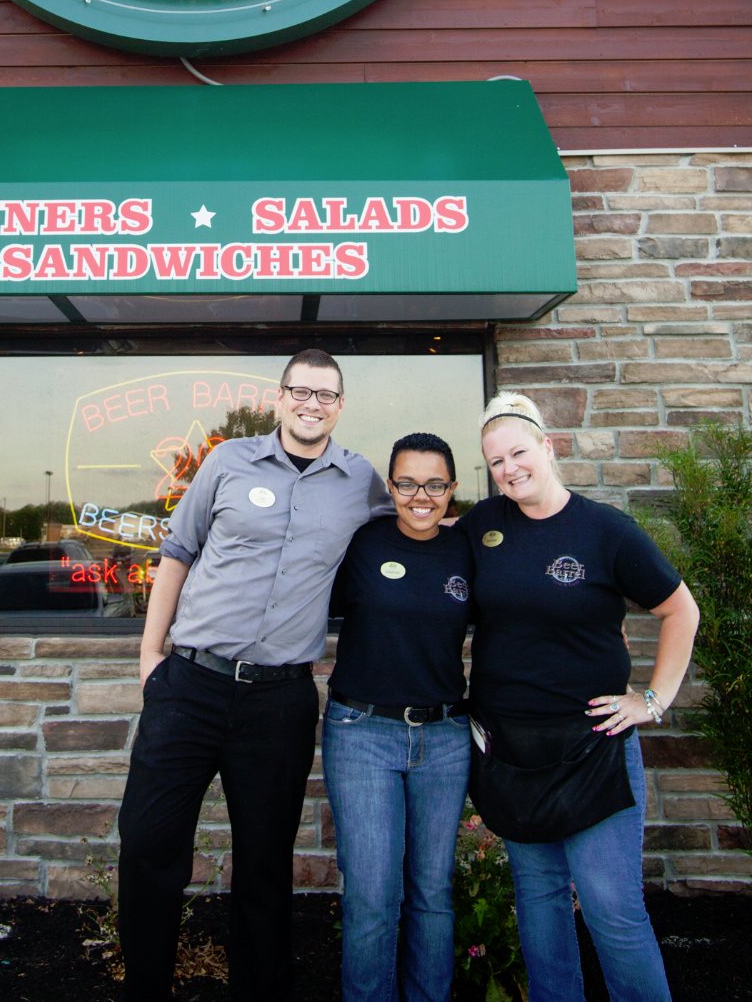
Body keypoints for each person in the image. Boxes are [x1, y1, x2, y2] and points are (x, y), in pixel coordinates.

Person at [116, 349, 390, 1002]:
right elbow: (177, 551)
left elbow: (412, 530)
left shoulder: (360, 480)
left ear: (340, 406)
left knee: (265, 866)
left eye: (326, 395)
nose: (312, 405)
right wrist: (150, 657)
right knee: (150, 846)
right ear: (280, 397)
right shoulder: (227, 461)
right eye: (302, 391)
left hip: (279, 701)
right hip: (190, 687)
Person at [463, 392, 700, 1002]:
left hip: (593, 747)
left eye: (519, 452)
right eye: (495, 461)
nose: (509, 468)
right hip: (513, 751)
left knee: (611, 909)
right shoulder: (482, 526)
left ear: (548, 447)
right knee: (539, 903)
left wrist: (653, 699)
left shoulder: (606, 531)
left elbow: (681, 611)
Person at [322, 431, 472, 1002]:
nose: (421, 497)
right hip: (362, 733)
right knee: (372, 894)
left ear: (452, 489)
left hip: (446, 736)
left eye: (435, 485)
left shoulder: (468, 550)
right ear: (390, 487)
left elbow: (519, 610)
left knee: (433, 891)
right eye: (407, 484)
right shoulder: (361, 543)